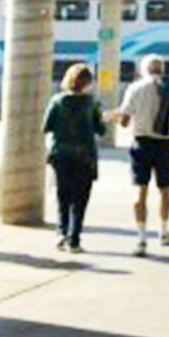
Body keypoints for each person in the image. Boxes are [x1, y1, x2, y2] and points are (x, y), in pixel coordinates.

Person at [118, 54, 169, 256]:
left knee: (139, 191)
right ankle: (164, 230)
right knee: (165, 190)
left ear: (144, 69)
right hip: (166, 145)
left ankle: (141, 238)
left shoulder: (134, 88)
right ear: (162, 69)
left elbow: (124, 122)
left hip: (141, 143)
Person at [42, 63, 104, 253]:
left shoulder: (57, 101)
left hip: (61, 155)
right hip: (85, 156)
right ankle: (75, 240)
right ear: (88, 83)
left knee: (63, 196)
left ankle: (61, 233)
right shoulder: (91, 102)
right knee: (80, 199)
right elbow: (101, 129)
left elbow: (46, 126)